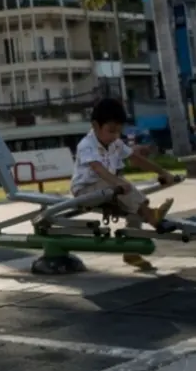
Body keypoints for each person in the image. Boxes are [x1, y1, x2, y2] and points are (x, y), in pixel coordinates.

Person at [70, 98, 177, 271]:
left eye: (119, 132)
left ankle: (131, 251)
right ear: (96, 126)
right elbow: (98, 169)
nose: (115, 136)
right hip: (85, 192)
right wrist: (117, 182)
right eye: (111, 131)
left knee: (134, 209)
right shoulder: (86, 145)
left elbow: (136, 159)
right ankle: (152, 216)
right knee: (124, 188)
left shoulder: (115, 144)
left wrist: (162, 172)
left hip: (108, 190)